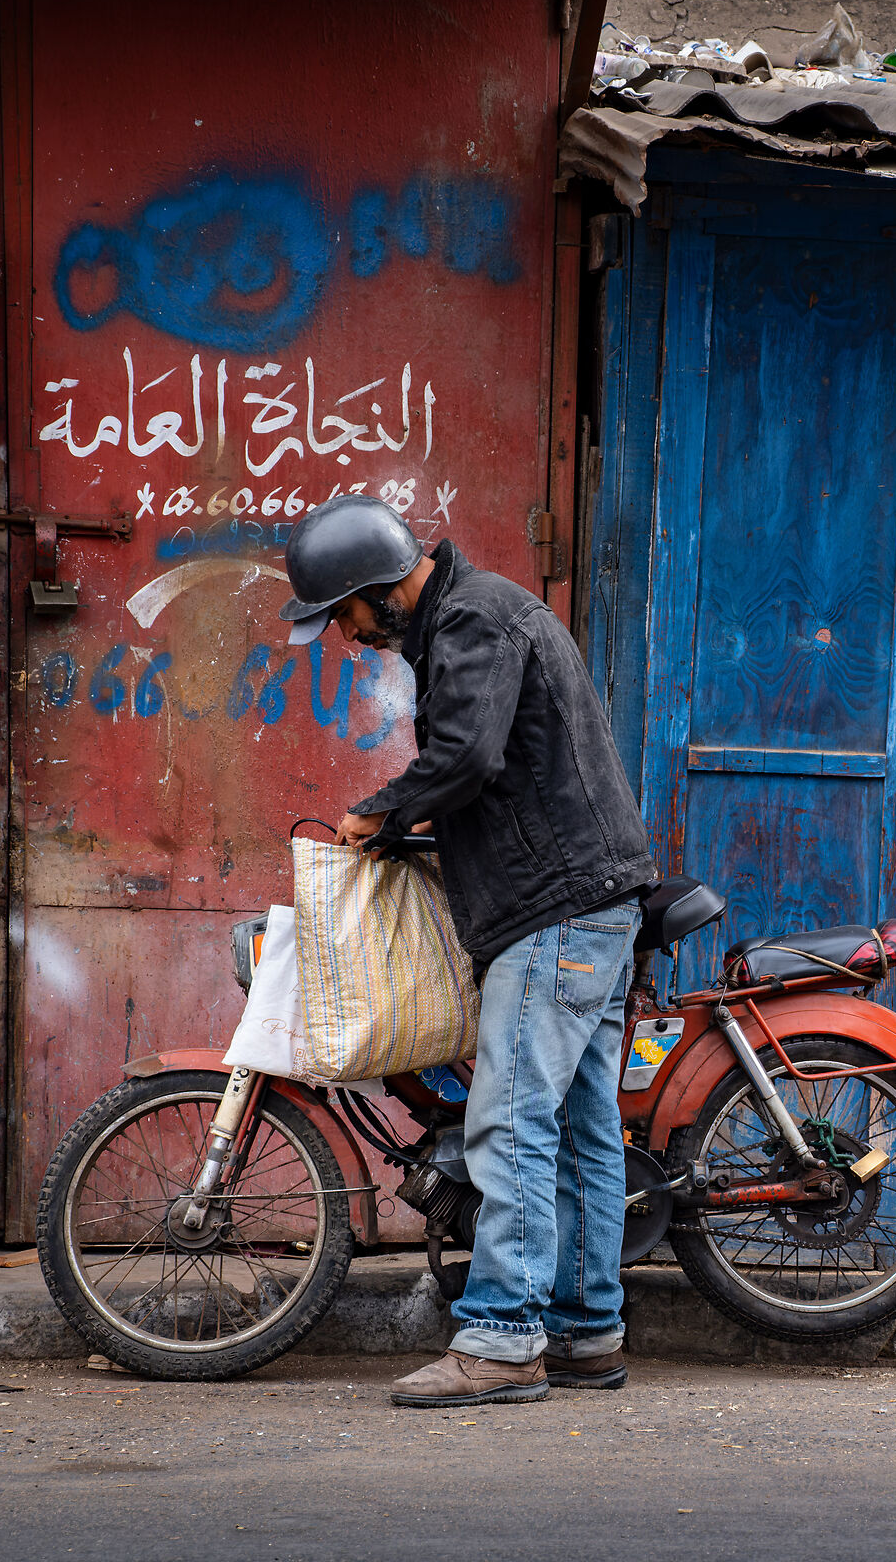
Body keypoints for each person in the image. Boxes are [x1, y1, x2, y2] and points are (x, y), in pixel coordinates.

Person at [279, 497, 655, 1407]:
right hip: (592, 906)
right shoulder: (480, 612)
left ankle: (501, 1340)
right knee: (577, 1131)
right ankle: (583, 1332)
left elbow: (467, 755)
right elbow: (493, 765)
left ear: (373, 589)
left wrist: (382, 807)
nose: (347, 637)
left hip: (553, 912)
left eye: (343, 616)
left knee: (512, 1121)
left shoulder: (473, 619)